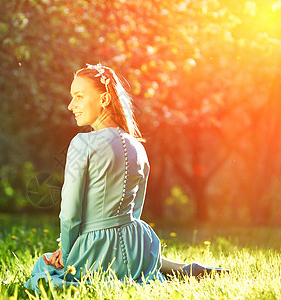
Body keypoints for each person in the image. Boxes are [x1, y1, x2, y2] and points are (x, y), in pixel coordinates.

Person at [24, 63, 228, 294]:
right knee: (138, 270)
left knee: (45, 270)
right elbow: (136, 207)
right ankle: (181, 270)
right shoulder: (137, 147)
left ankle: (176, 269)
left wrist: (69, 251)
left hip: (95, 247)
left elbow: (70, 213)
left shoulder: (83, 143)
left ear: (103, 100)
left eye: (79, 97)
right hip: (137, 241)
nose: (71, 105)